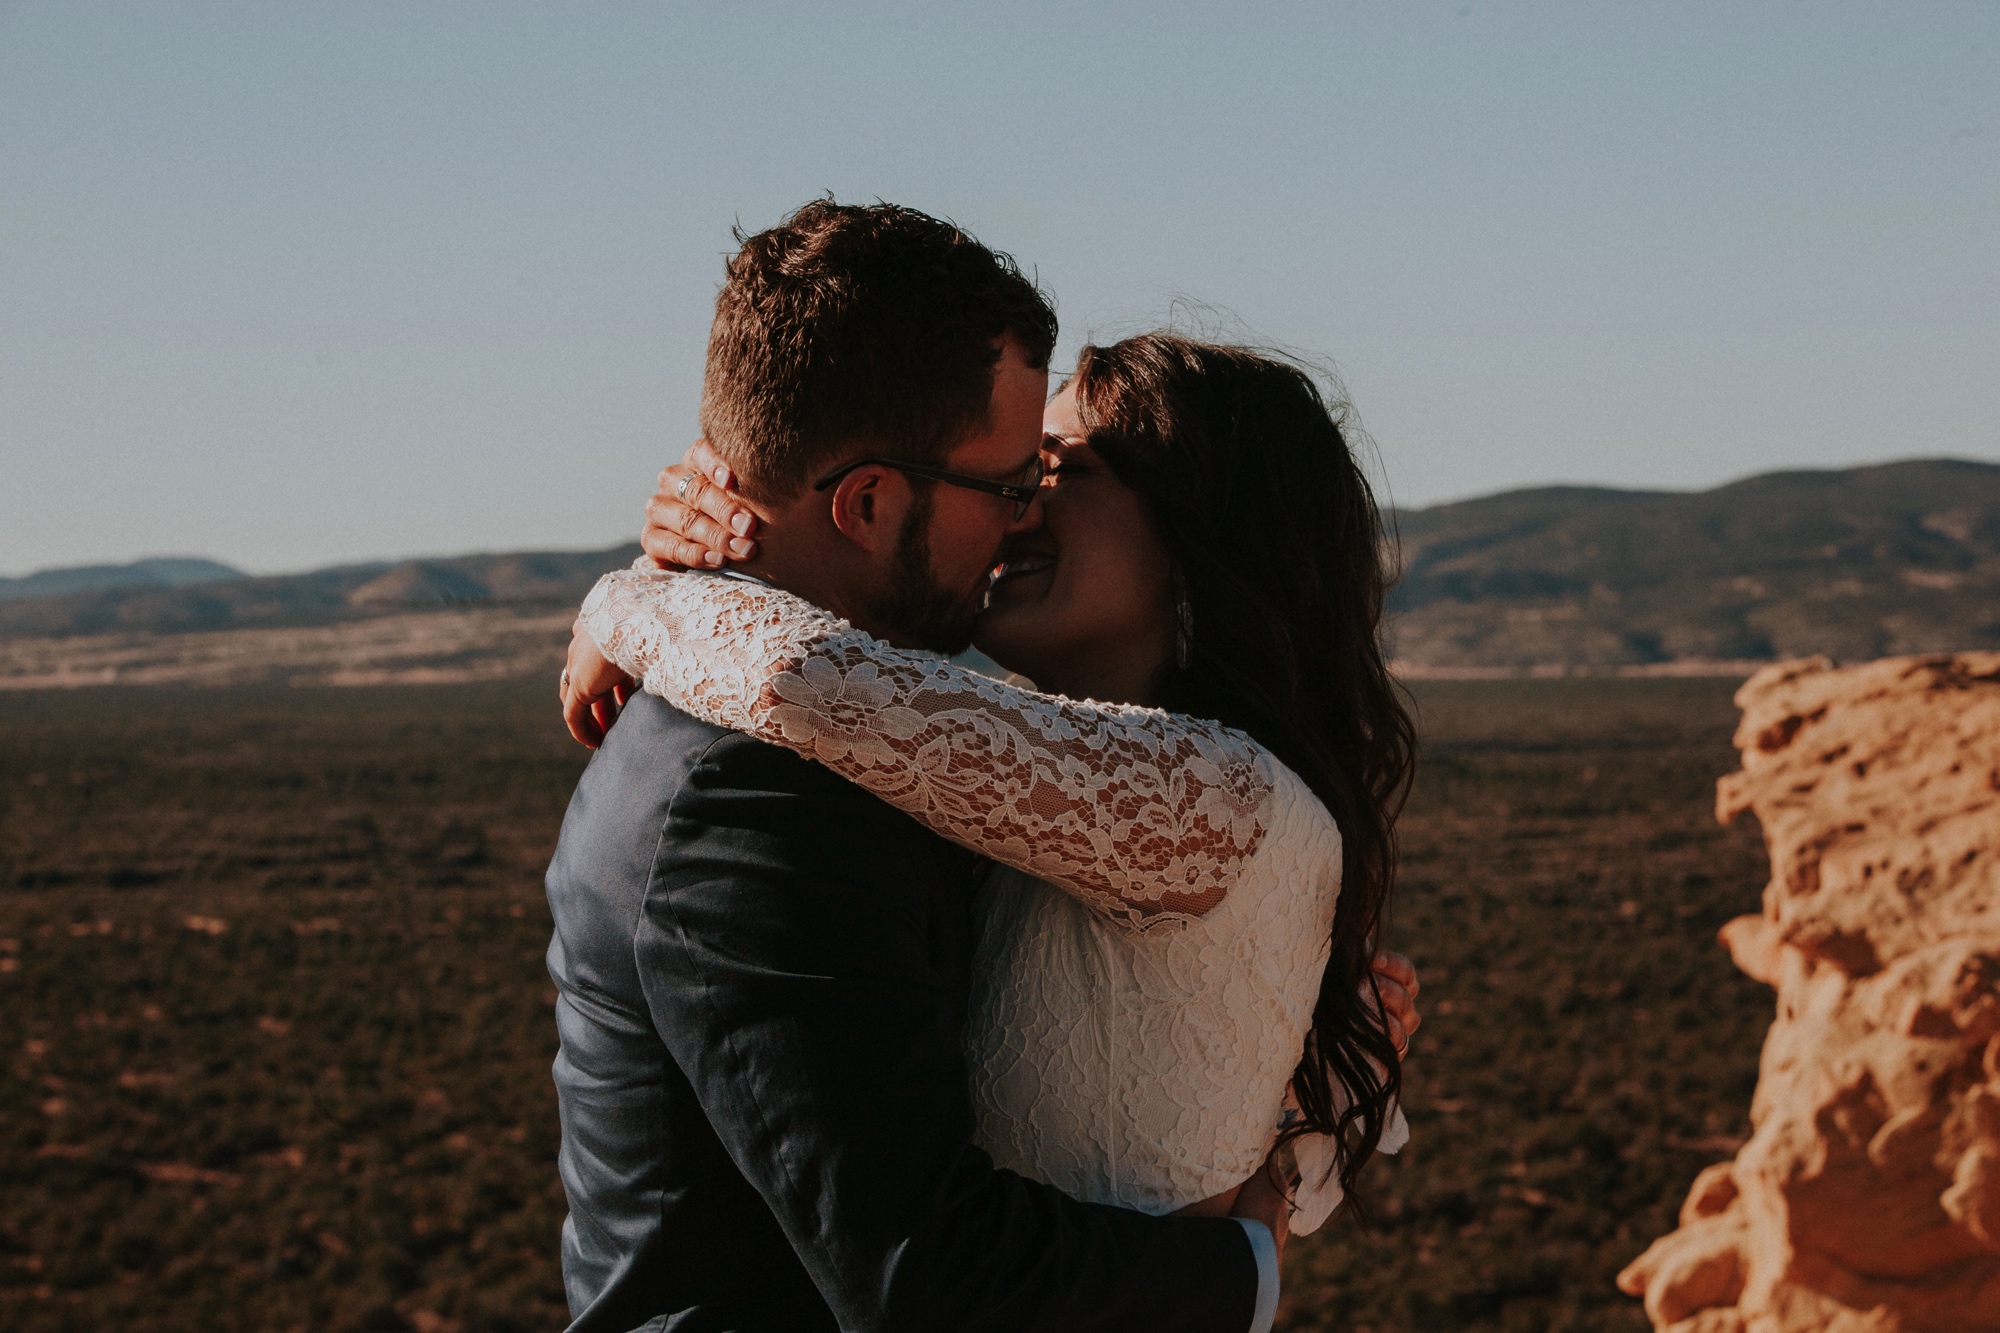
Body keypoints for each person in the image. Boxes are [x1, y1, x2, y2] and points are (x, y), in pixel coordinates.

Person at [541, 201, 1310, 1333]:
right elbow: (926, 1275)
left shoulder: (896, 746)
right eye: (1005, 486)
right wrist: (1242, 1266)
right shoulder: (751, 789)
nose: (1021, 519)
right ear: (865, 502)